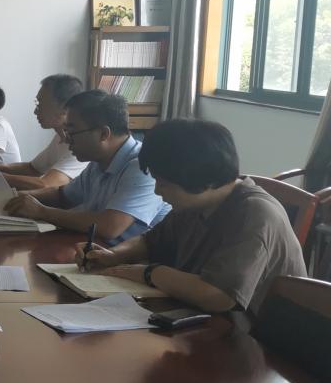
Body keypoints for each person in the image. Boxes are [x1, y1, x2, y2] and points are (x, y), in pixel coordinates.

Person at [77, 119, 306, 313]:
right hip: (200, 319)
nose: (157, 191)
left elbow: (217, 295)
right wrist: (114, 255)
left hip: (255, 339)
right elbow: (150, 241)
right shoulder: (194, 203)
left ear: (202, 180)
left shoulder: (254, 213)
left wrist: (150, 273)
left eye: (164, 184)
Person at [4, 90, 169, 243]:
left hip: (135, 261)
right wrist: (16, 197)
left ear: (104, 134)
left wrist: (41, 211)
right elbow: (62, 196)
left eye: (71, 132)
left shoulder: (142, 166)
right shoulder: (98, 161)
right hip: (97, 251)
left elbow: (110, 226)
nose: (66, 140)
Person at [0, 74, 88, 189]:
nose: (35, 111)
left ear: (64, 108)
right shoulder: (59, 138)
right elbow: (32, 168)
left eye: (41, 104)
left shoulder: (81, 145)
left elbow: (46, 184)